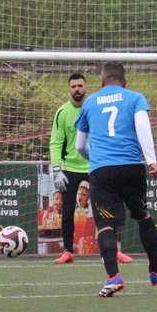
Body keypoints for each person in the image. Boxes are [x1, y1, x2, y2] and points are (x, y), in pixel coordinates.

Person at [74, 61, 157, 296]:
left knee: (105, 225)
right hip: (132, 167)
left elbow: (79, 146)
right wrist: (151, 160)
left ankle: (113, 276)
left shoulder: (90, 102)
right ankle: (155, 271)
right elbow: (143, 128)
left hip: (101, 171)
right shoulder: (135, 98)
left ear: (102, 81)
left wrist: (96, 158)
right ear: (125, 82)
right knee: (142, 215)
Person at [49, 72, 131, 265]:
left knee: (104, 210)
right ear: (69, 89)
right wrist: (56, 169)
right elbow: (55, 142)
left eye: (80, 86)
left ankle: (112, 251)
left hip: (96, 165)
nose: (77, 89)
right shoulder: (62, 112)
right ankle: (68, 251)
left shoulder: (96, 108)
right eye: (73, 86)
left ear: (86, 88)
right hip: (69, 168)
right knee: (68, 211)